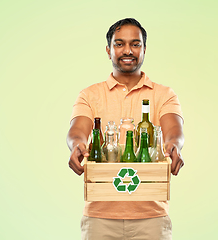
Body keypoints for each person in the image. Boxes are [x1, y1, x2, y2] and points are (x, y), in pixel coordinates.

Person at [66, 18, 184, 240]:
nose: (127, 50)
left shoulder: (164, 94)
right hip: (100, 217)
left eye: (135, 44)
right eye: (119, 44)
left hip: (151, 216)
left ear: (144, 49)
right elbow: (77, 130)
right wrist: (77, 146)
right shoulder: (90, 94)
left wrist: (174, 147)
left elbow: (174, 131)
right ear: (108, 50)